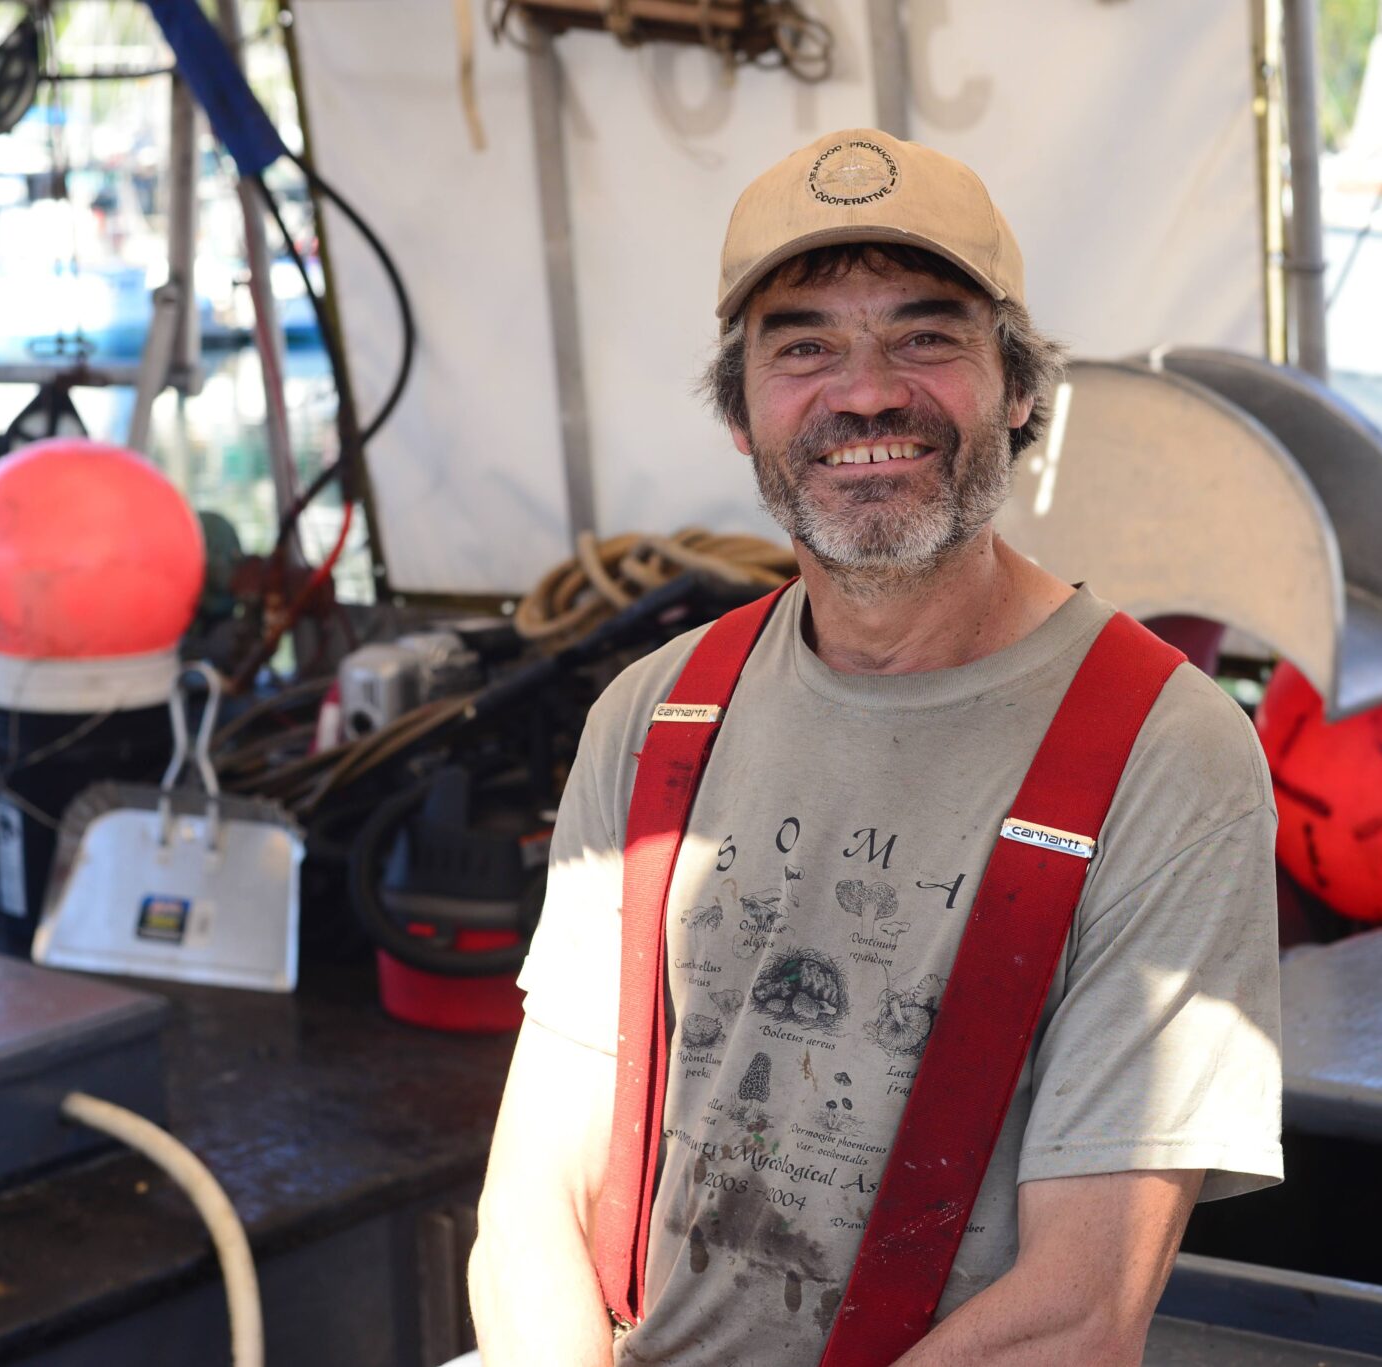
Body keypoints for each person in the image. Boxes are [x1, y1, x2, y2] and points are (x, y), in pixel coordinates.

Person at [468, 128, 1282, 1366]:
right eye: (801, 345)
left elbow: (1076, 1307)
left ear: (1017, 391)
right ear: (739, 410)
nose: (862, 391)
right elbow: (534, 1199)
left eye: (924, 336)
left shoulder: (1167, 753)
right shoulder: (652, 713)